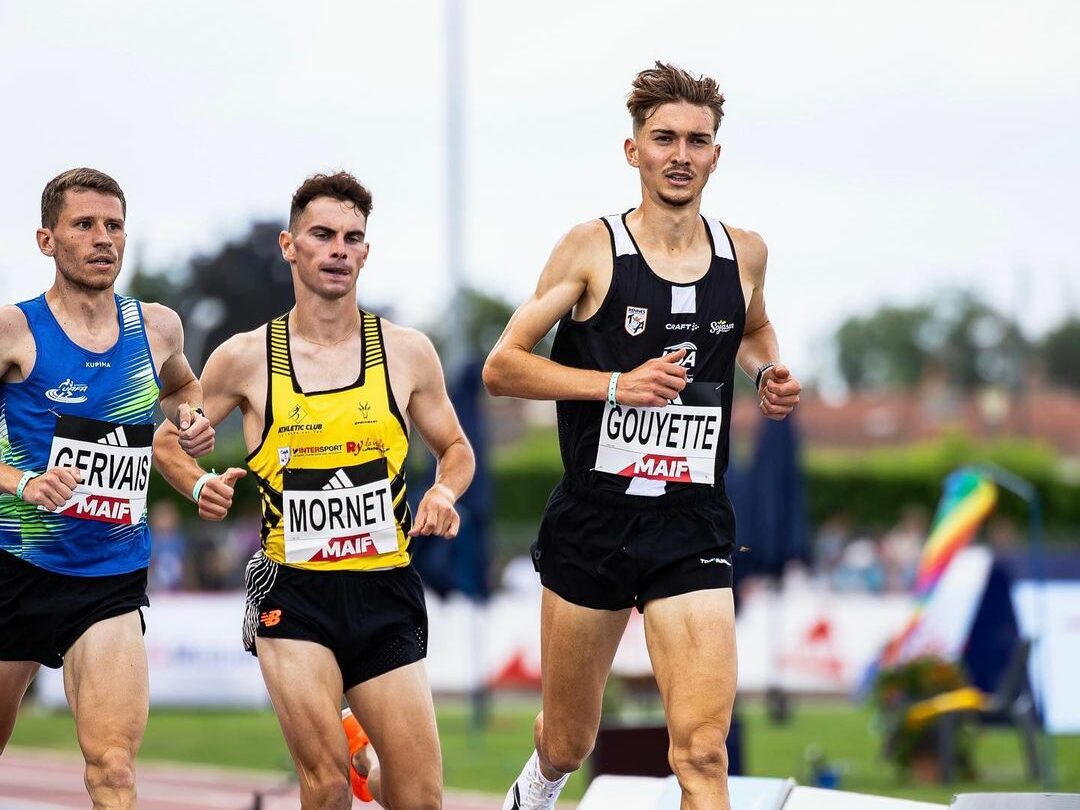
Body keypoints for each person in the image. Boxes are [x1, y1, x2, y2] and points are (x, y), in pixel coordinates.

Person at [483, 63, 802, 810]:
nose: (681, 154)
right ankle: (541, 784)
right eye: (664, 138)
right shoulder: (592, 250)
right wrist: (616, 385)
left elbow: (754, 327)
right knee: (570, 738)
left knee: (701, 749)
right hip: (593, 518)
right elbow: (503, 367)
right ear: (634, 151)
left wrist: (767, 373)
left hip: (690, 520)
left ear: (717, 154)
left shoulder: (743, 253)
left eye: (698, 140)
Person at [153, 171, 474, 810]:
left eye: (352, 238)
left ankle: (364, 754)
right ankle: (341, 760)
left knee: (420, 799)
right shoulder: (244, 358)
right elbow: (169, 441)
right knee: (324, 788)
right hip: (294, 593)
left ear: (365, 251)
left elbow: (457, 450)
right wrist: (199, 484)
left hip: (385, 588)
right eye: (322, 235)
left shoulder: (408, 352)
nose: (338, 250)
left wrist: (443, 495)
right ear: (289, 246)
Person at [0, 168, 214, 808]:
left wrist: (189, 419)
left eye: (114, 225)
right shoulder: (15, 331)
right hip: (17, 566)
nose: (103, 239)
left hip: (110, 576)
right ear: (47, 240)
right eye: (84, 225)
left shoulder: (156, 328)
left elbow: (181, 388)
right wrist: (23, 482)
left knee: (113, 768)